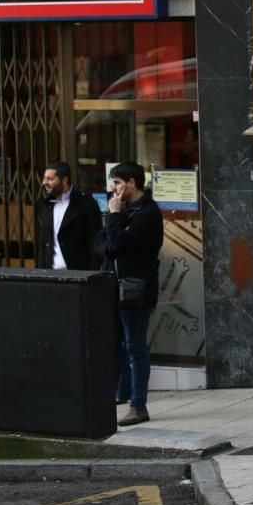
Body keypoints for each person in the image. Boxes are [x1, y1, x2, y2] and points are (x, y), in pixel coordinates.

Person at [95, 162, 164, 427]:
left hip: (135, 289)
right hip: (114, 286)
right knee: (115, 343)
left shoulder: (147, 213)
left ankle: (138, 405)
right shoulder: (125, 210)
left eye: (116, 183)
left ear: (131, 184)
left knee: (135, 347)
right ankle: (120, 393)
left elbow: (120, 244)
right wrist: (113, 236)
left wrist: (114, 216)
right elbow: (101, 243)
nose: (113, 189)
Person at [37, 161, 103, 271]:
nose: (44, 182)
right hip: (51, 274)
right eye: (44, 178)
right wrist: (41, 272)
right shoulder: (48, 206)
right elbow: (43, 243)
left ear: (64, 180)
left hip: (78, 275)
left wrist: (92, 274)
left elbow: (95, 241)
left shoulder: (86, 204)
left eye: (50, 179)